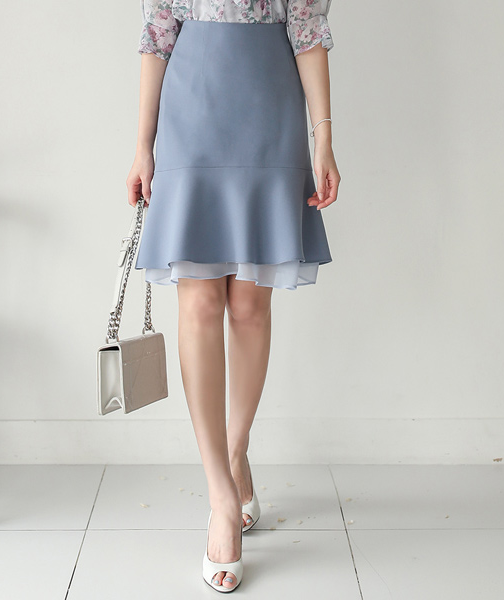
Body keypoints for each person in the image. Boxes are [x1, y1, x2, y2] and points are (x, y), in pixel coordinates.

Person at [126, 0, 340, 591]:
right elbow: (158, 35)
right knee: (198, 304)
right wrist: (142, 144)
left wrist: (323, 138)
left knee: (249, 306)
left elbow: (308, 31)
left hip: (270, 112)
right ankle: (222, 497)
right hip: (190, 117)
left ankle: (235, 450)